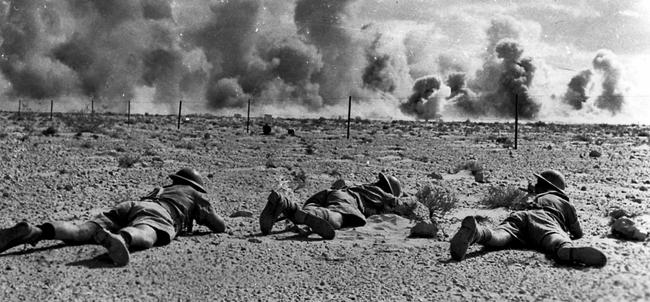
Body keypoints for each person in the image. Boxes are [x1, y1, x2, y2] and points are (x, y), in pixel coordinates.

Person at [0, 168, 226, 266]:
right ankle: (124, 240)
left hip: (133, 205)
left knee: (82, 229)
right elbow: (219, 226)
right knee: (148, 233)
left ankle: (37, 231)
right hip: (161, 213)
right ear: (194, 185)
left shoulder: (162, 188)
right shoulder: (195, 194)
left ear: (176, 180)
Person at [449, 169, 607, 267]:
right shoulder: (564, 203)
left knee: (500, 236)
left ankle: (478, 232)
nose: (534, 185)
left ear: (544, 187)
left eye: (538, 183)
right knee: (554, 238)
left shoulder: (537, 197)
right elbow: (578, 232)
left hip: (522, 216)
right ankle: (565, 250)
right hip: (545, 218)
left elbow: (525, 204)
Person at [259, 172, 429, 240]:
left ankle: (285, 203)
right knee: (339, 217)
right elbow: (403, 205)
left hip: (328, 193)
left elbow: (338, 184)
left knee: (308, 210)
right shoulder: (381, 193)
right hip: (345, 200)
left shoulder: (360, 185)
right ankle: (316, 216)